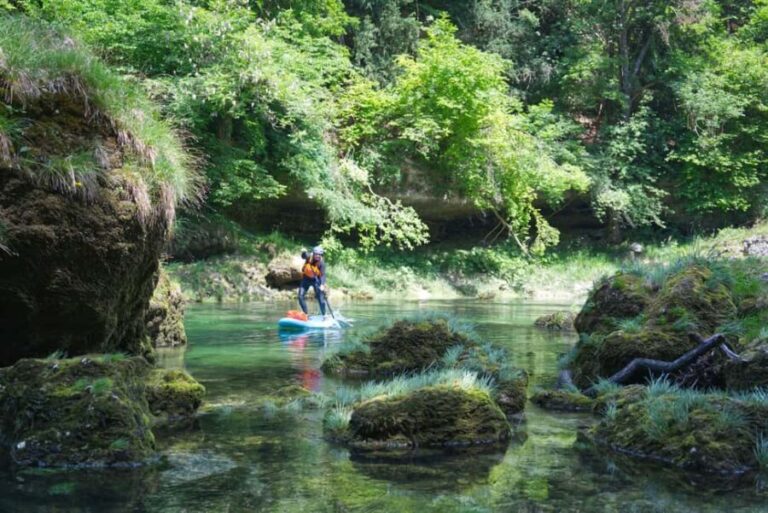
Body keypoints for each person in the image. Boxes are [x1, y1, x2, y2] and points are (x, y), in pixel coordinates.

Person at [298, 246, 327, 317]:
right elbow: (303, 256)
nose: (317, 256)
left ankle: (324, 316)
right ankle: (306, 314)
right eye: (316, 254)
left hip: (316, 280)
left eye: (319, 254)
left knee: (321, 299)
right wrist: (303, 252)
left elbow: (323, 275)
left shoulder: (321, 263)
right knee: (300, 296)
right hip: (306, 279)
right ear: (313, 253)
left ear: (321, 255)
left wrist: (322, 285)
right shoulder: (309, 257)